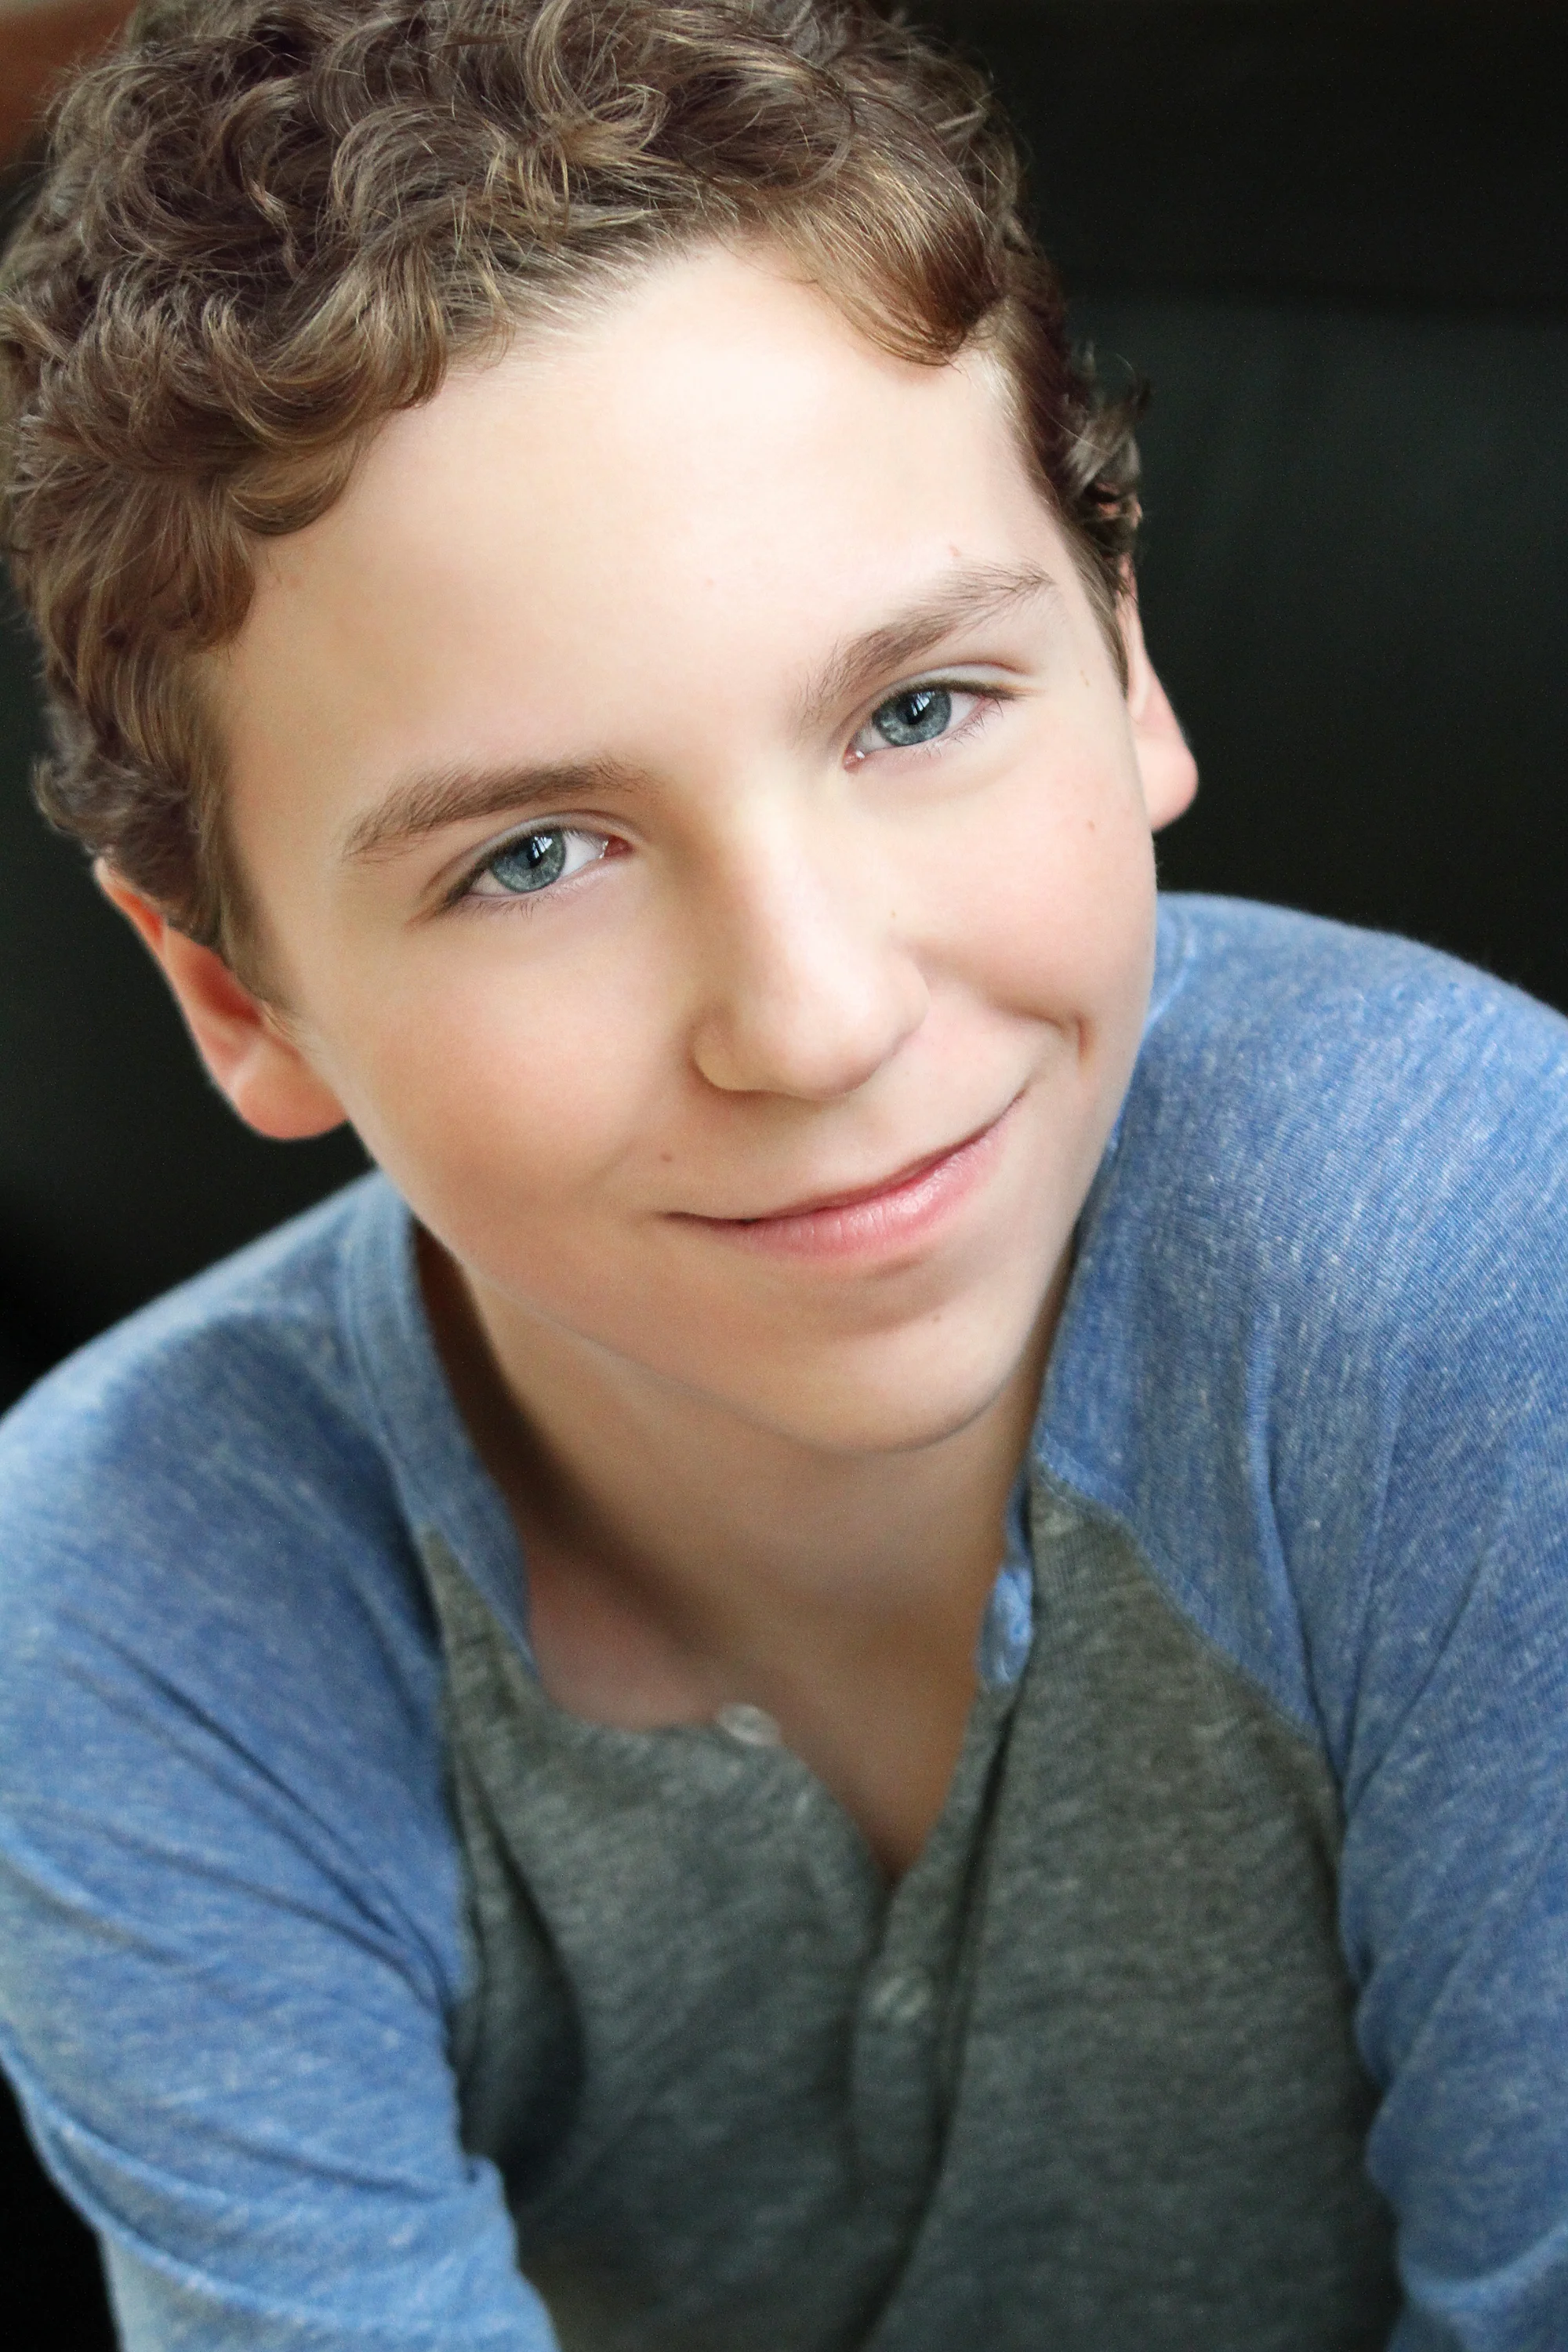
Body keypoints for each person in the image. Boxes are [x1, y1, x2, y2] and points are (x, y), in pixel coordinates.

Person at [0, 0, 1564, 2344]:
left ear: (1128, 661)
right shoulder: (125, 1609)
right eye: (535, 856)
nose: (819, 1020)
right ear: (235, 993)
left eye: (917, 712)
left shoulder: (1471, 1280)